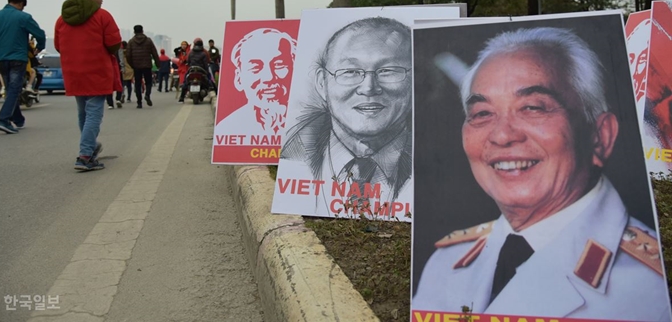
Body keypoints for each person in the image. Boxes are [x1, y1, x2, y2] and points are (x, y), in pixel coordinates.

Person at [412, 27, 670, 320]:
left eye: (533, 107)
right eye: (482, 113)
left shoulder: (649, 288)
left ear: (600, 135)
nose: (502, 135)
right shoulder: (446, 261)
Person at [279, 17, 412, 216]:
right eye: (350, 71)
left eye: (387, 71)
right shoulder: (293, 156)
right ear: (322, 84)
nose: (369, 88)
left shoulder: (448, 167)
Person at [54, 0, 121, 170]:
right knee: (94, 114)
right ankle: (84, 155)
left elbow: (59, 46)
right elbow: (113, 44)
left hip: (74, 73)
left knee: (83, 113)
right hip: (97, 73)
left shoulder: (61, 20)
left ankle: (90, 147)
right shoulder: (102, 16)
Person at [216, 28, 296, 131]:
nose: (269, 77)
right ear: (239, 78)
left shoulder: (317, 129)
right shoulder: (227, 129)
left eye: (278, 64)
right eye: (255, 67)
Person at [0, 0, 46, 133]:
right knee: (14, 89)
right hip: (17, 58)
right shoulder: (24, 17)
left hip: (1, 58)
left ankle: (18, 119)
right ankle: (4, 120)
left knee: (11, 89)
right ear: (21, 4)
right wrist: (39, 47)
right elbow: (40, 34)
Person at [126, 25, 159, 108]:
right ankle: (147, 94)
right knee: (148, 82)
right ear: (142, 31)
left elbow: (128, 55)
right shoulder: (148, 41)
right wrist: (158, 64)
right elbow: (154, 53)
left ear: (134, 32)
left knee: (137, 84)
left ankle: (139, 102)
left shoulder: (131, 42)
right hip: (147, 65)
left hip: (136, 66)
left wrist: (132, 65)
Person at [178, 38, 212, 103]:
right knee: (210, 82)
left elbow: (188, 60)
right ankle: (218, 95)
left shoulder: (190, 52)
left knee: (185, 82)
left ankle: (181, 97)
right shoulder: (204, 53)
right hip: (201, 70)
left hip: (192, 69)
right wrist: (207, 72)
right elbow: (206, 64)